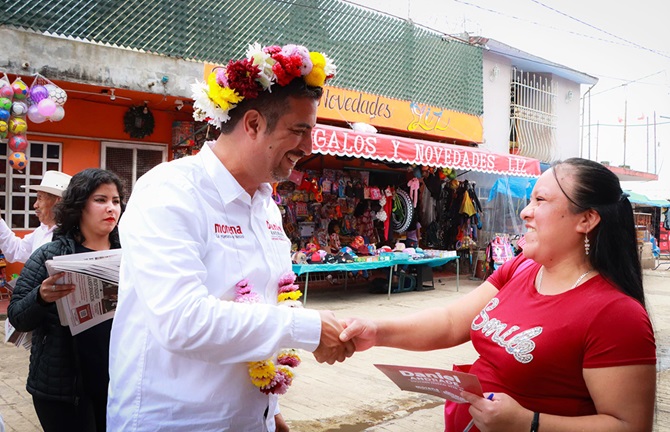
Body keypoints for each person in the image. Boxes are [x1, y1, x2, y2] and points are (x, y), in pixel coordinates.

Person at [107, 42, 354, 432]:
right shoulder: (170, 191)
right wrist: (307, 329)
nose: (308, 147)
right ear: (254, 124)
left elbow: (263, 304)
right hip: (175, 422)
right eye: (299, 131)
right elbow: (182, 320)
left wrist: (269, 413)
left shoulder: (266, 205)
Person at [341, 158, 656, 432]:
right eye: (529, 200)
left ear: (586, 219)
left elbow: (629, 425)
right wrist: (376, 331)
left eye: (540, 201)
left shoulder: (615, 313)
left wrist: (530, 424)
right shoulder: (520, 268)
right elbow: (452, 322)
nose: (524, 213)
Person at [7, 168, 125, 432]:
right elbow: (17, 316)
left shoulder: (131, 254)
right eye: (100, 200)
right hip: (63, 388)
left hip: (118, 383)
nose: (111, 208)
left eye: (116, 201)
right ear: (79, 205)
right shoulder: (49, 255)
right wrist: (41, 297)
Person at [0, 170, 71, 263]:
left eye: (40, 198)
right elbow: (16, 250)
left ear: (58, 201)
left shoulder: (70, 237)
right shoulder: (41, 231)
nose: (35, 205)